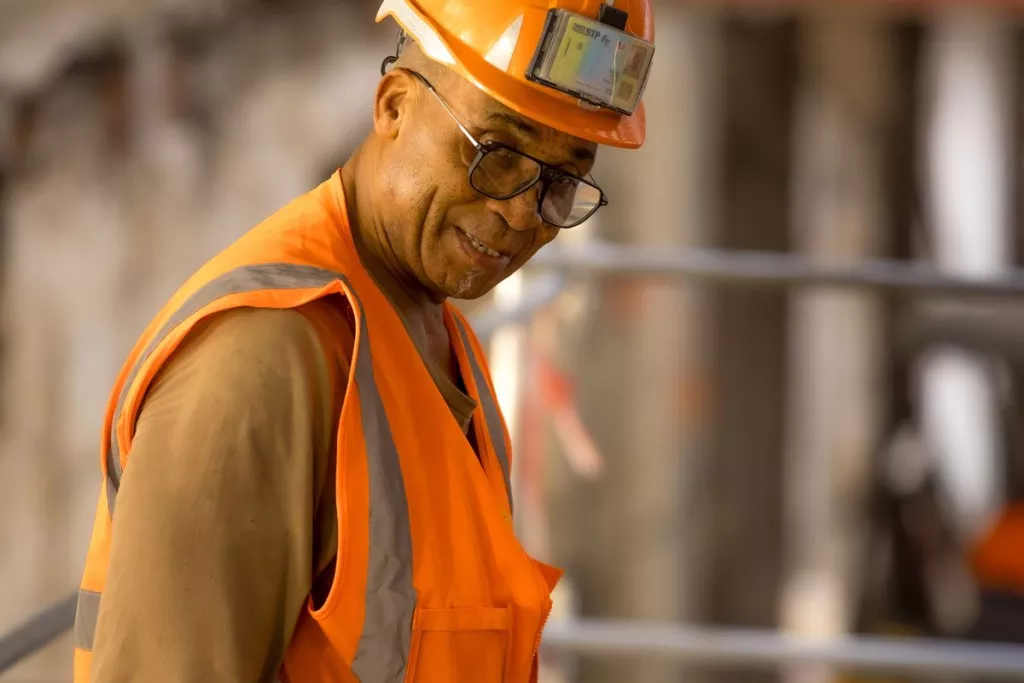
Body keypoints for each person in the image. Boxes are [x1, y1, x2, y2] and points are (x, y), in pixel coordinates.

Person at [72, 1, 655, 681]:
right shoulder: (264, 356)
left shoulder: (446, 343)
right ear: (394, 106)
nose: (522, 211)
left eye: (561, 182)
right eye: (496, 153)